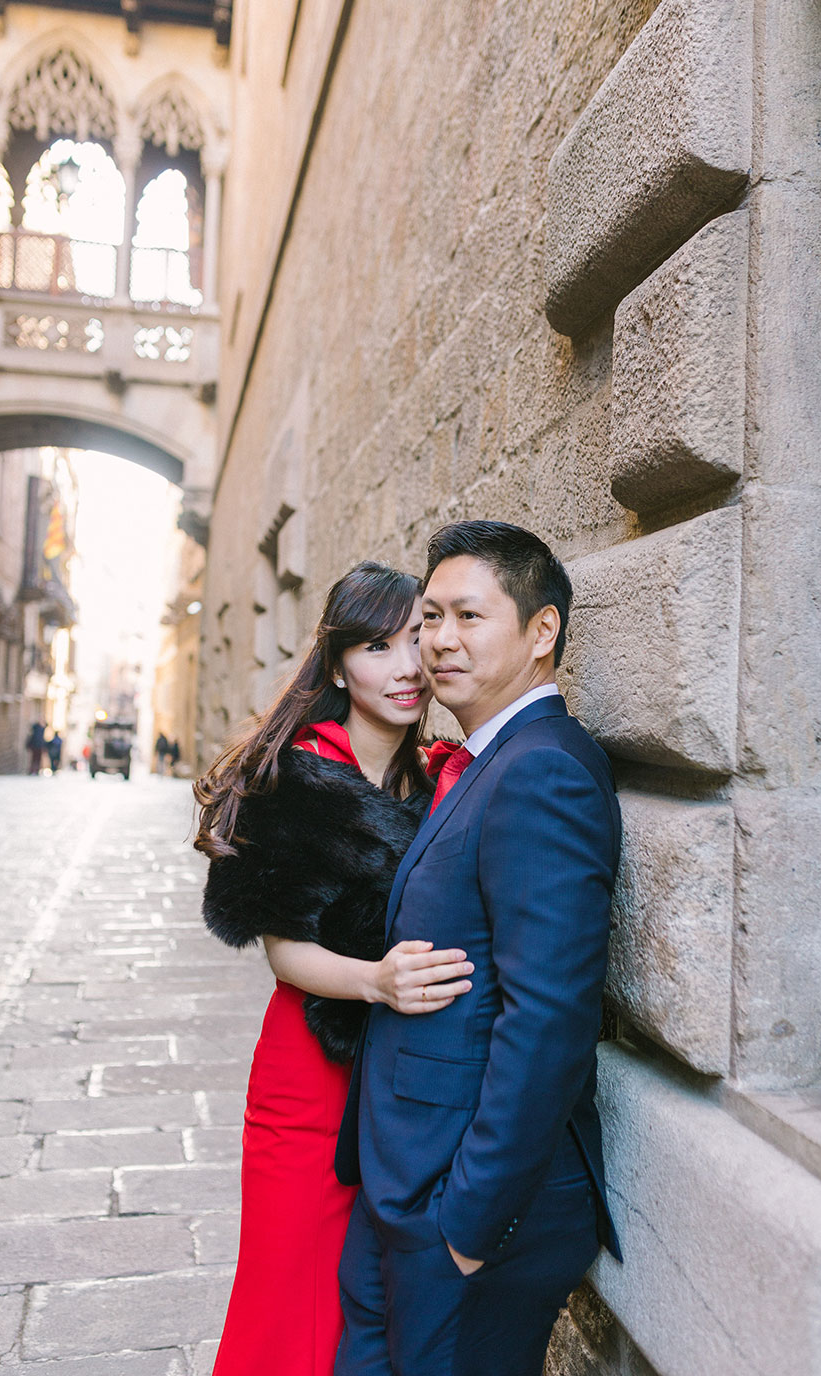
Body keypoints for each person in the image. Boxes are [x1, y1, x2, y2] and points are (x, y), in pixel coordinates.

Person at [335, 521, 622, 1376]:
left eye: (468, 616)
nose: (437, 641)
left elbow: (550, 1016)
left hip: (466, 1211)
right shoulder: (481, 761)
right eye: (429, 617)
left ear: (541, 633)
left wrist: (469, 1223)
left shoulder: (544, 770)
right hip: (404, 1183)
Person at [193, 562, 473, 1376]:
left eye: (417, 641)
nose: (405, 666)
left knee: (369, 1302)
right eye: (378, 646)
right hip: (308, 1076)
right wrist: (376, 981)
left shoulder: (437, 777)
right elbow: (282, 950)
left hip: (404, 1083)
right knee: (288, 1301)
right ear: (340, 662)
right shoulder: (298, 776)